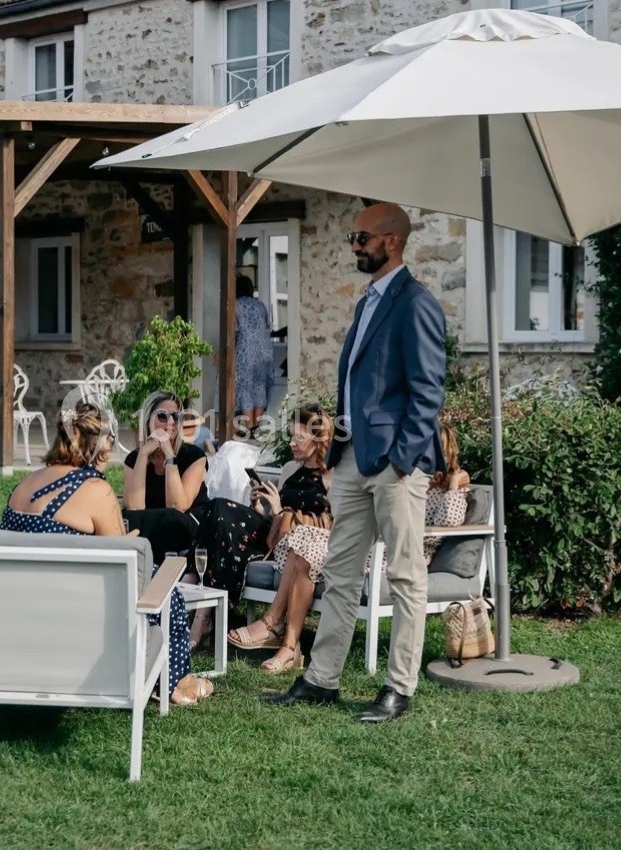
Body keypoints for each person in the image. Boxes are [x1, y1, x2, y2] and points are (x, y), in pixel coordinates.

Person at [267, 202, 447, 724]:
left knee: (406, 574)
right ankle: (322, 679)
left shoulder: (416, 304)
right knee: (341, 573)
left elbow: (428, 391)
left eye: (360, 237)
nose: (353, 245)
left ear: (391, 240)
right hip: (350, 461)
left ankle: (399, 688)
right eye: (352, 237)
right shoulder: (366, 302)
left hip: (393, 464)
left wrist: (400, 459)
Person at [0, 402, 212, 706]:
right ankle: (173, 681)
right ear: (102, 447)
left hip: (22, 613)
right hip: (75, 616)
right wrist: (130, 541)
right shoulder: (94, 491)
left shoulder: (23, 487)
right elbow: (123, 565)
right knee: (161, 587)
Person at [232, 421, 469, 675]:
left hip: (397, 554)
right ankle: (286, 643)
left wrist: (455, 483)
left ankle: (279, 633)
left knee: (309, 549)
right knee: (303, 539)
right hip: (374, 544)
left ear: (444, 453)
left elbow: (449, 522)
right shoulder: (406, 484)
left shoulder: (448, 491)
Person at [199, 404, 333, 605]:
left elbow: (324, 526)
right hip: (273, 532)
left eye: (299, 437)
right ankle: (206, 606)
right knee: (217, 508)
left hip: (298, 545)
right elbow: (273, 519)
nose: (291, 443)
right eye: (291, 436)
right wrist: (259, 506)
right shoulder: (290, 469)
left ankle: (204, 606)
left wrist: (279, 510)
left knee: (220, 511)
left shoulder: (330, 477)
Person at [121, 391, 209, 565]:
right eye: (162, 416)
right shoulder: (134, 459)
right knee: (128, 519)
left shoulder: (194, 456)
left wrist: (169, 455)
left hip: (187, 526)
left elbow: (178, 506)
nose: (170, 423)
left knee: (172, 517)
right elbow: (134, 507)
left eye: (176, 417)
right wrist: (144, 453)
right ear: (147, 421)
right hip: (152, 528)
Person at [235, 274, 275, 436]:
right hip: (264, 350)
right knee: (259, 385)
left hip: (247, 349)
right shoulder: (260, 306)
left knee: (245, 386)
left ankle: (248, 426)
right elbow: (265, 326)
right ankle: (257, 428)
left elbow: (234, 331)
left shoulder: (236, 305)